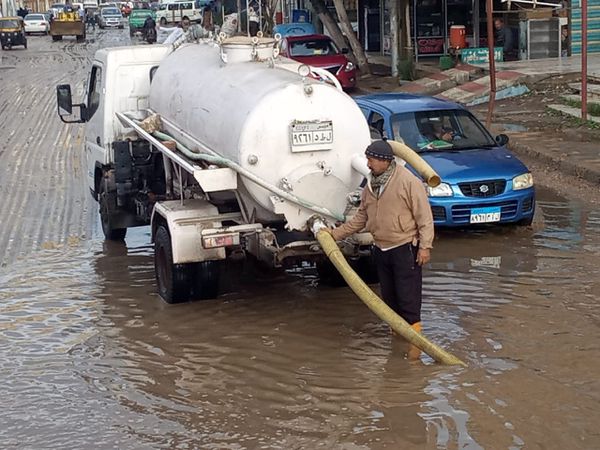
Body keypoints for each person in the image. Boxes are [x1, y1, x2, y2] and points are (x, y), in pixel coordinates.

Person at [323, 140, 434, 358]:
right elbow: (361, 218)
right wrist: (335, 235)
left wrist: (425, 247)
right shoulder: (371, 185)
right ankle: (397, 342)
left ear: (385, 161)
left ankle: (414, 351)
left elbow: (425, 218)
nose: (368, 164)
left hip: (405, 247)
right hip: (381, 248)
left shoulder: (408, 182)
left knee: (408, 298)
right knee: (389, 298)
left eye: (371, 160)